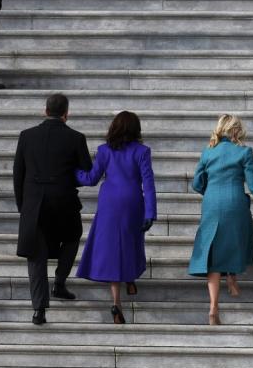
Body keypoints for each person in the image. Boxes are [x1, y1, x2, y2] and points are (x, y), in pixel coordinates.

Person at [189, 115, 253, 325]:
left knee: (213, 251)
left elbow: (196, 183)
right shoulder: (244, 152)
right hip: (235, 203)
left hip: (212, 203)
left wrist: (211, 191)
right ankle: (232, 278)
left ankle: (213, 306)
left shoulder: (208, 151)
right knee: (232, 242)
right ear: (236, 131)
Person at [14, 93, 92, 325]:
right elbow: (86, 170)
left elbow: (18, 174)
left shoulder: (26, 136)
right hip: (64, 201)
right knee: (72, 237)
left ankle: (39, 309)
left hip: (34, 204)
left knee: (35, 257)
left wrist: (23, 207)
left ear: (45, 111)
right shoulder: (76, 138)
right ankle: (59, 282)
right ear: (66, 114)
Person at [75, 111, 157, 325]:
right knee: (132, 241)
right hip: (132, 202)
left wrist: (73, 173)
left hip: (109, 203)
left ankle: (116, 303)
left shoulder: (104, 151)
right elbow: (148, 184)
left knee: (112, 250)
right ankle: (130, 279)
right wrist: (151, 213)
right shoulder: (142, 151)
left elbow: (92, 179)